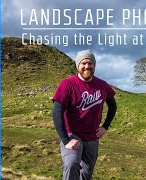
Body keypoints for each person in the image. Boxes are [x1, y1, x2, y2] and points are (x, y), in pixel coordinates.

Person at [52, 49, 117, 180]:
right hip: (72, 135)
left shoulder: (102, 85)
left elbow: (113, 106)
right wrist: (66, 140)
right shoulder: (67, 84)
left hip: (92, 137)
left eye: (90, 63)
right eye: (83, 63)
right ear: (78, 66)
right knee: (71, 165)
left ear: (94, 65)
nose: (87, 66)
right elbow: (57, 112)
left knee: (86, 174)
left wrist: (105, 126)